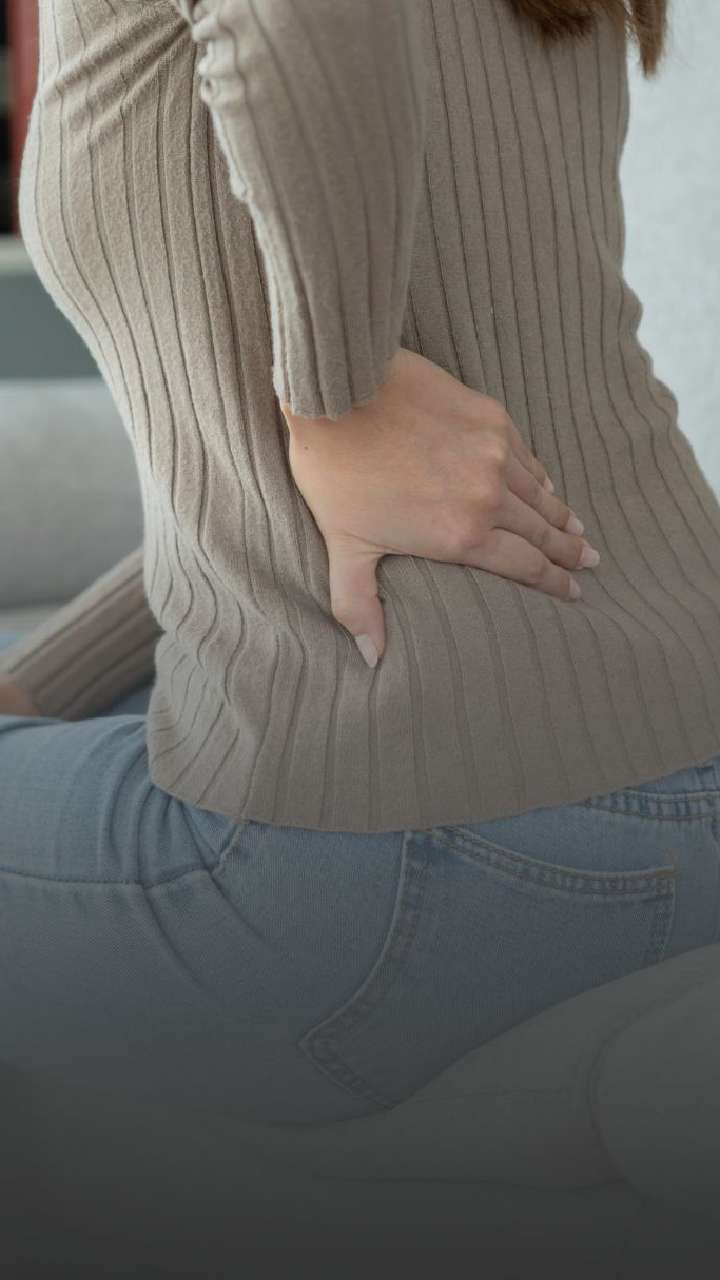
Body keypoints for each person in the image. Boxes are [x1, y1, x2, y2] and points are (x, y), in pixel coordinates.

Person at [2, 0, 719, 1123]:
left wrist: (338, 400)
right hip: (689, 785)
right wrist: (41, 679)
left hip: (402, 868)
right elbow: (286, 491)